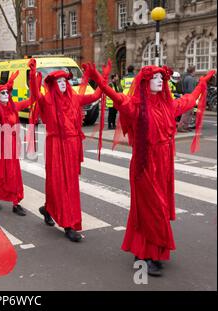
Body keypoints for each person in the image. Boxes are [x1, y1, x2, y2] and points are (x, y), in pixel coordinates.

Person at [84, 62, 215, 276]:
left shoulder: (168, 106)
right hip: (145, 164)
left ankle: (146, 250)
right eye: (154, 78)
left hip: (164, 164)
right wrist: (99, 79)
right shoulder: (135, 106)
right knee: (152, 208)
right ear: (145, 82)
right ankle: (149, 253)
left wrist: (202, 83)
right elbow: (117, 99)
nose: (159, 81)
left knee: (157, 208)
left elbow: (190, 100)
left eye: (161, 78)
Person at [28, 58, 109, 242]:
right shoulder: (47, 100)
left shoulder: (75, 99)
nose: (63, 84)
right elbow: (35, 94)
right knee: (59, 183)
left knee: (69, 184)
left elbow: (96, 95)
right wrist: (33, 75)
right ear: (53, 84)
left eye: (65, 81)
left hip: (72, 146)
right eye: (59, 81)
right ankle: (68, 224)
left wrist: (103, 77)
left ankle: (50, 209)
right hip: (55, 145)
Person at [0, 71, 32, 216]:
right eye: (2, 93)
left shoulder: (13, 107)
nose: (6, 95)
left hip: (12, 144)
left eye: (7, 93)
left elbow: (30, 100)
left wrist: (33, 78)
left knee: (13, 173)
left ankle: (16, 203)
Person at [178, 66, 197, 132]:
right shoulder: (190, 79)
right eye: (195, 70)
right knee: (187, 113)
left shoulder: (185, 77)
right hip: (190, 98)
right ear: (193, 71)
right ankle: (181, 127)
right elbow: (191, 90)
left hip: (186, 96)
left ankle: (185, 126)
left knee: (189, 113)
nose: (195, 72)